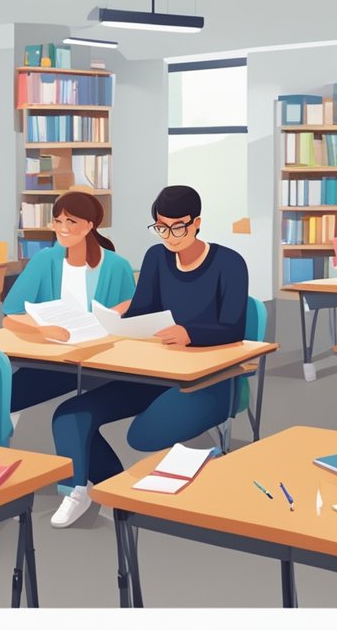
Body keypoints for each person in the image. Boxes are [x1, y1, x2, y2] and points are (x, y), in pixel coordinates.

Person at [48, 185, 248, 528]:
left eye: (178, 226)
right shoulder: (156, 257)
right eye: (161, 226)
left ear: (197, 222)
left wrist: (191, 333)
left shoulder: (229, 263)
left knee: (143, 436)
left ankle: (143, 487)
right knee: (68, 415)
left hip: (208, 380)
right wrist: (116, 322)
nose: (169, 235)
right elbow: (144, 310)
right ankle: (92, 489)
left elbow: (233, 327)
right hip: (151, 372)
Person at [2, 191, 136, 413]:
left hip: (99, 361)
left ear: (89, 225)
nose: (63, 227)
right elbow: (11, 313)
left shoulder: (115, 265)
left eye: (71, 221)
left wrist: (109, 316)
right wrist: (42, 328)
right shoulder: (45, 260)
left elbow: (132, 308)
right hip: (52, 359)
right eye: (58, 221)